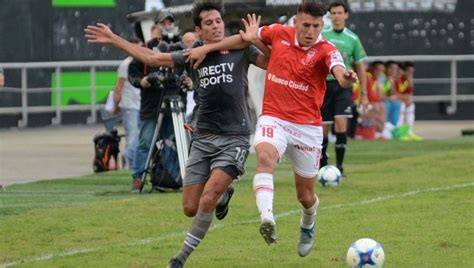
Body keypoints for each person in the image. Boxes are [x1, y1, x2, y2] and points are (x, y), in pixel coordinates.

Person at [85, 3, 268, 267]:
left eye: (218, 21)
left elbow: (274, 62)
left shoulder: (242, 49)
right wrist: (114, 39)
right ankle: (224, 193)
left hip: (235, 136)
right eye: (209, 23)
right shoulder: (193, 54)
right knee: (189, 207)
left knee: (207, 199)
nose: (216, 26)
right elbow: (150, 59)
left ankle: (180, 258)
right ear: (198, 29)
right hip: (203, 137)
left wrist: (257, 40)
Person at [185, 1, 357, 258]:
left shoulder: (326, 49)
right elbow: (242, 40)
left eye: (316, 26)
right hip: (274, 118)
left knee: (306, 196)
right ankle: (267, 218)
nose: (310, 31)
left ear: (322, 26)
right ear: (296, 22)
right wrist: (211, 48)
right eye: (306, 25)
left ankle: (308, 223)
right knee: (264, 158)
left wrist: (346, 79)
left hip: (307, 127)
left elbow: (339, 72)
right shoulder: (278, 32)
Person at [320, 0, 367, 175]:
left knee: (341, 124)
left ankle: (339, 166)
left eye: (340, 13)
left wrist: (364, 93)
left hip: (344, 87)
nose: (336, 16)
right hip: (324, 86)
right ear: (329, 15)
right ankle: (322, 165)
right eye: (333, 13)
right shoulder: (323, 36)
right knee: (323, 128)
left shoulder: (353, 39)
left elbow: (360, 67)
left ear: (346, 15)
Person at [113, 39, 142, 169]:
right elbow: (118, 88)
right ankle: (129, 160)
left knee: (138, 135)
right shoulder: (125, 65)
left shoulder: (142, 63)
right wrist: (114, 106)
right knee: (132, 134)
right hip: (129, 106)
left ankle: (131, 159)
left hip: (141, 105)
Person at [396, 61, 422, 141]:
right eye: (409, 71)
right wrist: (405, 98)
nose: (410, 74)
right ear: (404, 70)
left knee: (410, 105)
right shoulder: (398, 78)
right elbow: (394, 94)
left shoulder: (407, 80)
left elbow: (409, 94)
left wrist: (410, 81)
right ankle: (399, 133)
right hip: (396, 101)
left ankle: (409, 132)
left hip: (401, 100)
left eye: (412, 72)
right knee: (402, 105)